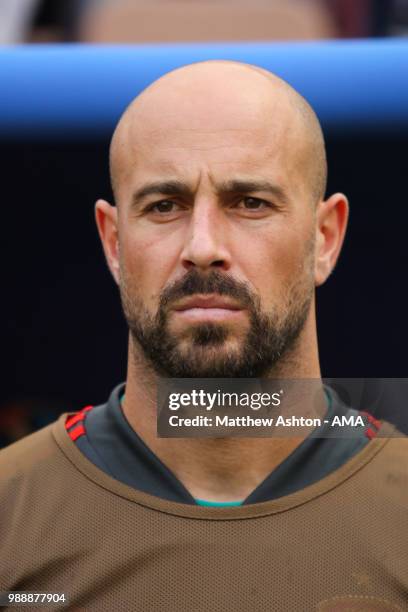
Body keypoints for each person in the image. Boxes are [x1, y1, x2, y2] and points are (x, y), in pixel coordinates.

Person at [0, 61, 407, 611]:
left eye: (251, 203)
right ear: (114, 242)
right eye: (164, 205)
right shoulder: (11, 514)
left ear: (325, 237)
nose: (202, 245)